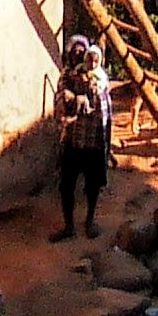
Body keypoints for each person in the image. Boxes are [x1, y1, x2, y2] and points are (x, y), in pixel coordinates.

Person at [50, 32, 114, 242]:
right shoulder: (67, 75)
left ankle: (90, 221)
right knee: (66, 184)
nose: (78, 56)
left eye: (82, 52)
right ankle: (69, 226)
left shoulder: (99, 75)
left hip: (94, 138)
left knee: (93, 184)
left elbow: (99, 92)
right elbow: (61, 97)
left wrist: (81, 92)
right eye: (74, 52)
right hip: (74, 139)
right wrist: (75, 97)